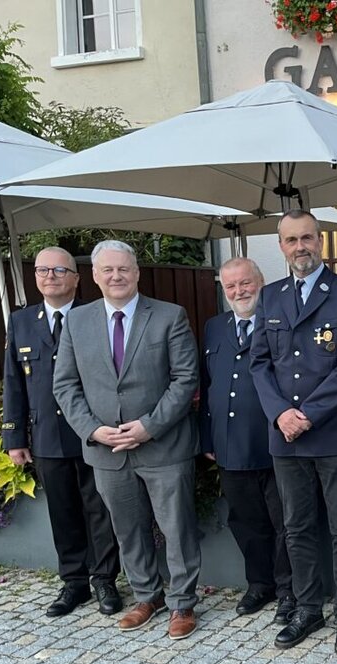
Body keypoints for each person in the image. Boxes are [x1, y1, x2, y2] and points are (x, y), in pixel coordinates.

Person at [53, 239, 202, 640]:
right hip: (107, 449)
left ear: (136, 273)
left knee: (176, 527)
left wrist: (148, 426)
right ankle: (146, 596)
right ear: (95, 277)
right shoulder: (77, 322)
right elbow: (65, 385)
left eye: (123, 269)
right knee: (127, 528)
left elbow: (186, 379)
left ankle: (183, 603)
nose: (116, 276)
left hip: (162, 445)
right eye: (108, 270)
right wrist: (91, 429)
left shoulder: (169, 316)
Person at [250, 209, 337, 655]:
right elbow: (259, 362)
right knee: (297, 527)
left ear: (320, 241)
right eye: (291, 240)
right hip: (284, 436)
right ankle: (307, 607)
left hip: (333, 432)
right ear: (281, 246)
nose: (300, 247)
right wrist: (282, 413)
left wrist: (309, 414)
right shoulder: (271, 297)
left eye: (307, 238)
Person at [2, 247, 121, 618]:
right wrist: (14, 437)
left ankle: (104, 579)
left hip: (91, 433)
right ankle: (74, 583)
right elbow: (13, 382)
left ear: (76, 277)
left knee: (99, 510)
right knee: (63, 512)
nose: (49, 276)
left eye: (58, 270)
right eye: (42, 270)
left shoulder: (94, 315)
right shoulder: (22, 321)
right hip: (48, 435)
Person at [200, 257, 294, 622]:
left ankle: (288, 590)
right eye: (231, 286)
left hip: (273, 442)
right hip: (230, 445)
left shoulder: (279, 321)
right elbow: (207, 386)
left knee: (284, 522)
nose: (239, 291)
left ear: (261, 282)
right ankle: (260, 584)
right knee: (244, 520)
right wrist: (207, 435)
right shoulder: (214, 327)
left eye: (246, 283)